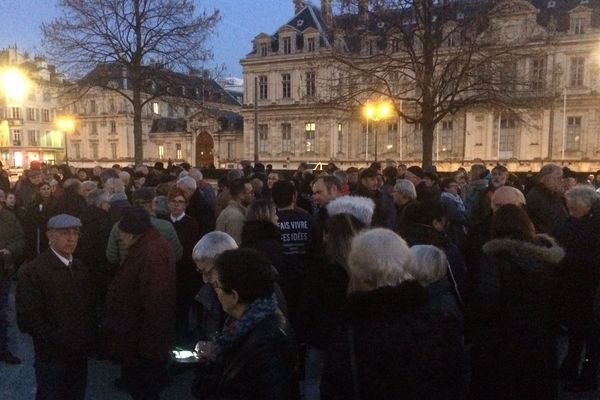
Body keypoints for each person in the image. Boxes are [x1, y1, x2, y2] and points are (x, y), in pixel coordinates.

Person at [321, 229, 465, 399]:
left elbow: (334, 390)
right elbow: (457, 382)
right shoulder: (438, 323)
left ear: (359, 273)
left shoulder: (348, 334)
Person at [469, 204, 563, 399]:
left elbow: (487, 299)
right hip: (540, 334)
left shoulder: (494, 258)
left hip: (503, 336)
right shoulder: (548, 258)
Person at [192, 248, 297, 400]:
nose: (216, 291)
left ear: (234, 296)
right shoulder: (242, 324)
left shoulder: (266, 342)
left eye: (217, 286)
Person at [16, 214, 95, 399]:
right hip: (52, 356)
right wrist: (56, 339)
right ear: (50, 236)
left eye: (75, 233)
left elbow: (88, 307)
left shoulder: (79, 268)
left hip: (78, 354)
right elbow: (27, 318)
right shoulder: (34, 272)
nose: (71, 238)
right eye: (64, 233)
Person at [102, 207, 176, 400]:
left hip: (142, 340)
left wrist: (148, 347)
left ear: (132, 233)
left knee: (144, 389)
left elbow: (156, 303)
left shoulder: (150, 254)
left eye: (122, 234)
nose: (120, 238)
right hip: (137, 336)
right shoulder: (147, 247)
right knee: (142, 387)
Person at [555, 185, 600, 392]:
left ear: (588, 204)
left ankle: (589, 375)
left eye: (574, 208)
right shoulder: (576, 220)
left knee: (591, 334)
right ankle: (570, 365)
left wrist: (566, 257)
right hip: (575, 284)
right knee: (576, 330)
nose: (571, 212)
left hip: (591, 287)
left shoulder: (595, 225)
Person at [191, 232, 239, 343]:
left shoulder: (258, 290)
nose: (205, 279)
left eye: (208, 272)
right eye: (200, 272)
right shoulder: (206, 294)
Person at [167, 186, 201, 344]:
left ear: (185, 205)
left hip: (184, 273)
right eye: (173, 201)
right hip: (167, 273)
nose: (176, 205)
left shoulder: (191, 223)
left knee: (183, 311)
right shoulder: (165, 222)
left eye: (180, 202)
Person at [0, 191, 25, 364]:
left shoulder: (9, 218)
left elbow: (20, 240)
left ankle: (3, 348)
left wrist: (9, 250)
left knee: (2, 311)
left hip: (3, 269)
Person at [526, 163, 569, 235]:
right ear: (545, 178)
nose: (561, 181)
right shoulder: (537, 197)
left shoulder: (553, 195)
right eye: (558, 178)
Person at [216, 178, 254, 245]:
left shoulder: (230, 211)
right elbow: (235, 245)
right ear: (241, 195)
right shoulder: (236, 217)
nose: (253, 195)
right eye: (250, 192)